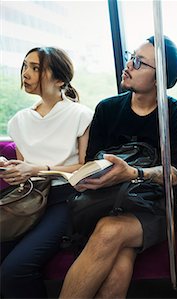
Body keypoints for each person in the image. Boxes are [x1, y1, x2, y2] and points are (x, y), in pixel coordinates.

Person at [59, 35, 177, 298]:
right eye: (130, 57)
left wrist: (134, 173)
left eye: (138, 62)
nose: (128, 65)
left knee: (110, 231)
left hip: (155, 206)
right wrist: (93, 176)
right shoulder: (108, 108)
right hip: (106, 200)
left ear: (160, 79)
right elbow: (90, 162)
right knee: (120, 265)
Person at [0, 47, 93, 298]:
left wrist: (37, 168)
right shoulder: (19, 120)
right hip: (28, 199)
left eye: (35, 68)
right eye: (25, 66)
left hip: (66, 201)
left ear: (60, 79)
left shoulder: (80, 115)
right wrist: (13, 171)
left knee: (14, 270)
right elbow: (24, 171)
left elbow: (85, 167)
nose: (25, 73)